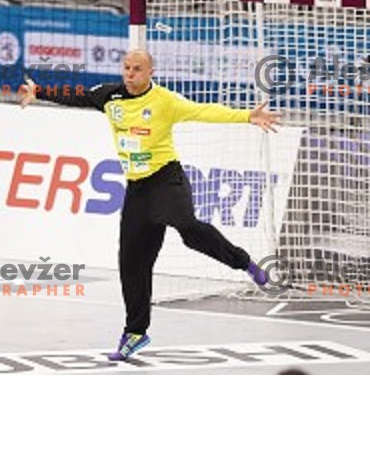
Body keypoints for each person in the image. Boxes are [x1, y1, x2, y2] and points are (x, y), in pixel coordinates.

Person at [20, 49, 281, 361]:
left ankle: (245, 263)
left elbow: (203, 111)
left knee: (186, 227)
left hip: (165, 180)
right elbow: (76, 95)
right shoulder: (109, 97)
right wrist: (39, 91)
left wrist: (246, 116)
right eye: (127, 68)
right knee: (131, 264)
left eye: (137, 69)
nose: (130, 74)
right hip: (137, 190)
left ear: (150, 72)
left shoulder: (165, 101)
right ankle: (135, 333)